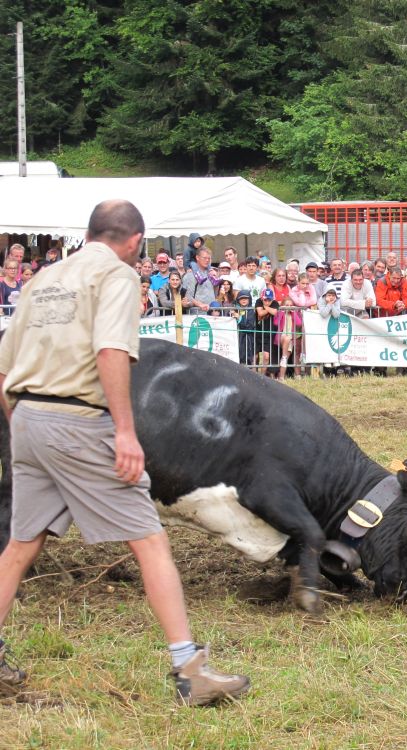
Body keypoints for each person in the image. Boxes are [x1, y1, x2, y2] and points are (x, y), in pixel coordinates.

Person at [0, 200, 248, 706]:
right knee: (150, 540)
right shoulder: (114, 277)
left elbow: (3, 368)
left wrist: (22, 424)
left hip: (27, 418)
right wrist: (125, 431)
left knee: (22, 545)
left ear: (89, 232)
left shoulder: (39, 281)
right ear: (136, 241)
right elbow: (111, 351)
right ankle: (189, 668)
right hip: (79, 421)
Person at [181, 248, 219, 314]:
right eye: (204, 258)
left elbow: (215, 294)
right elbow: (187, 296)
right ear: (197, 258)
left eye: (209, 258)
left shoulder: (211, 273)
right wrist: (200, 305)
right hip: (196, 315)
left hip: (212, 313)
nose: (207, 260)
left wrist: (216, 281)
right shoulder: (190, 275)